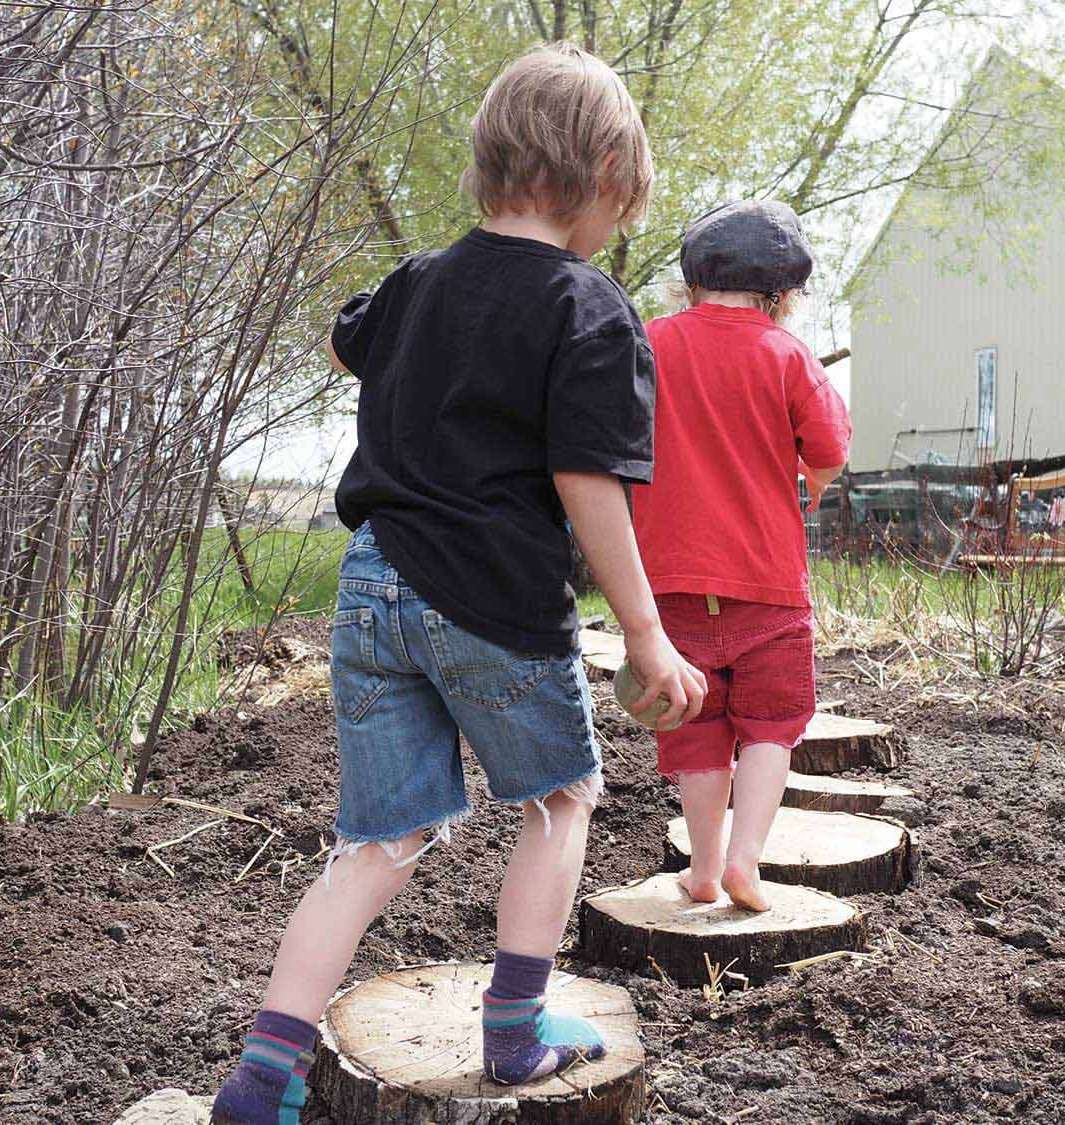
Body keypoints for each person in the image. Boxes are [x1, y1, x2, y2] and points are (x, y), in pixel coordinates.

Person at [210, 43, 707, 1125]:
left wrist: (427, 364)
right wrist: (648, 633)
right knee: (561, 799)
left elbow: (353, 344)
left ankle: (263, 1079)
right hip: (492, 598)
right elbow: (588, 482)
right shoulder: (589, 307)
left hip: (374, 583)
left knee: (377, 843)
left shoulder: (419, 282)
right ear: (608, 169)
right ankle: (517, 1036)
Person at [630, 200, 850, 914]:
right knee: (770, 726)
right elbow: (830, 449)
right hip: (770, 589)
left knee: (697, 728)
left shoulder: (651, 342)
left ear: (689, 283)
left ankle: (701, 866)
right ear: (784, 296)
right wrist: (808, 478)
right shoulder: (787, 354)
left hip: (669, 583)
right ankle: (745, 861)